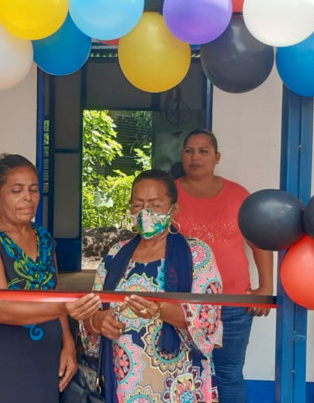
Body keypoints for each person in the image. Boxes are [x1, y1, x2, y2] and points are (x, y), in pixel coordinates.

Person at [0, 154, 100, 403]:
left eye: (33, 190)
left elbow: (53, 292)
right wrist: (66, 308)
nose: (28, 198)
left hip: (44, 361)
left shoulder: (43, 237)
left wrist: (68, 343)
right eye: (16, 190)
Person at [81, 169, 223, 403]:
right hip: (124, 378)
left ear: (173, 209)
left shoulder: (197, 255)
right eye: (137, 205)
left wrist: (159, 310)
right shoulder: (116, 255)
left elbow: (209, 321)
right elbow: (91, 312)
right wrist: (97, 321)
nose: (145, 213)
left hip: (179, 381)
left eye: (155, 205)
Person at [174, 128, 274, 403]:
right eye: (189, 151)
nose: (195, 157)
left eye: (203, 151)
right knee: (182, 371)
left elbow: (260, 242)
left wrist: (265, 287)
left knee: (229, 374)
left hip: (232, 304)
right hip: (182, 304)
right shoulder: (170, 195)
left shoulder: (238, 195)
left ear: (217, 157)